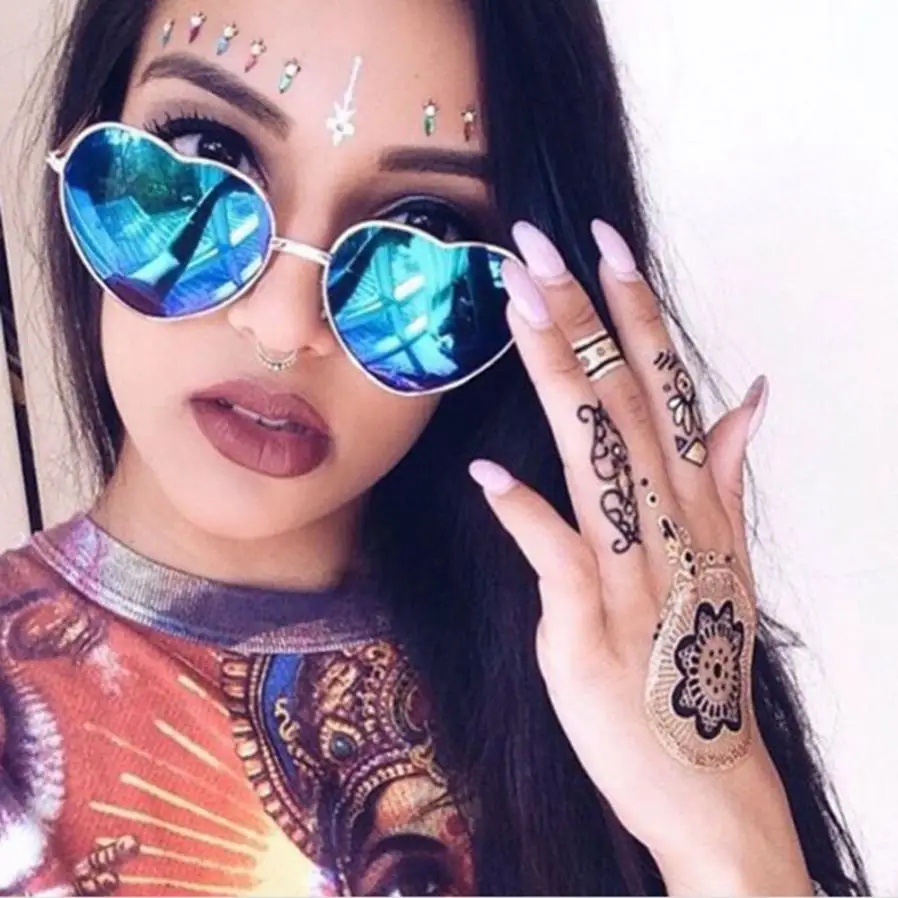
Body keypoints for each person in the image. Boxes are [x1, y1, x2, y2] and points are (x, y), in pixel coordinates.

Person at [0, 0, 868, 894]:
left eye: (424, 235)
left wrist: (723, 829)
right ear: (79, 142)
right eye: (205, 157)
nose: (284, 324)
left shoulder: (598, 685)